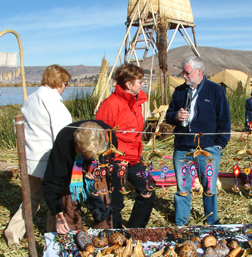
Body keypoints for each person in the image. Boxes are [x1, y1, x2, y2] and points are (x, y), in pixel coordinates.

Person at [4, 65, 72, 246]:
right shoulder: (52, 102)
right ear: (59, 83)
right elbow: (63, 134)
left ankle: (13, 234)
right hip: (47, 160)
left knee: (32, 199)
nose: (65, 88)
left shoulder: (31, 98)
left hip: (28, 157)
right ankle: (53, 238)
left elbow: (19, 127)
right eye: (65, 84)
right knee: (54, 201)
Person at [165, 56, 231, 225]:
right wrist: (175, 116)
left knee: (209, 188)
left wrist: (219, 145)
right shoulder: (179, 91)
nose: (184, 76)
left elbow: (224, 120)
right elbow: (169, 115)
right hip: (182, 148)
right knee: (183, 188)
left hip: (208, 149)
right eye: (183, 73)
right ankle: (182, 224)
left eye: (186, 72)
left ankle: (211, 223)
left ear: (198, 72)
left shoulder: (215, 91)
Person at [96, 63, 155, 229]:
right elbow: (101, 134)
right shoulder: (111, 104)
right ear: (128, 84)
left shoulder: (137, 102)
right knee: (116, 202)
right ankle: (116, 235)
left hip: (134, 158)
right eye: (139, 81)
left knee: (148, 191)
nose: (142, 84)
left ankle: (136, 229)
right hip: (116, 159)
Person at [42, 120, 116, 234]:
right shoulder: (64, 142)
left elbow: (110, 159)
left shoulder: (109, 136)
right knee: (69, 213)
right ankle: (74, 237)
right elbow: (52, 181)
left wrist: (99, 168)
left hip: (96, 171)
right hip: (71, 174)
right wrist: (57, 212)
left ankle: (104, 236)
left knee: (103, 207)